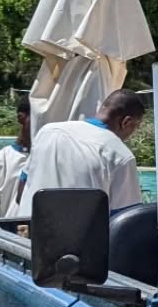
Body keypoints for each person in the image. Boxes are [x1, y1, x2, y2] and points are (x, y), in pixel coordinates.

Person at [12, 89, 145, 218]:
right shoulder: (119, 154)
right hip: (78, 239)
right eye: (136, 127)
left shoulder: (48, 132)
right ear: (126, 122)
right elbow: (125, 218)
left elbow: (21, 191)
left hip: (27, 233)